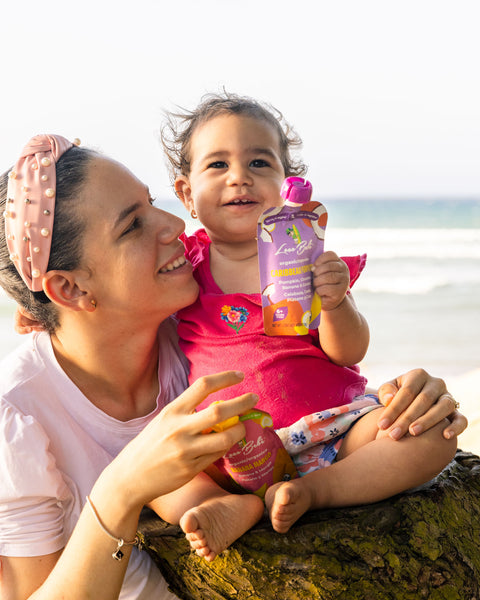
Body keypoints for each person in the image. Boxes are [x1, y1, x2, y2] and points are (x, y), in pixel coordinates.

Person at [0, 134, 465, 599]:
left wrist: (407, 397)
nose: (175, 224)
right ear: (71, 289)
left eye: (152, 203)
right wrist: (121, 490)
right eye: (132, 225)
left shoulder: (191, 327)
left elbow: (306, 373)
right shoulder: (16, 419)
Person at [157, 92, 460, 559]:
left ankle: (317, 491)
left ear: (286, 183)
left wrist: (335, 303)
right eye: (217, 165)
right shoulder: (184, 270)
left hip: (335, 430)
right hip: (232, 450)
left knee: (430, 435)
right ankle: (225, 507)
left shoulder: (304, 256)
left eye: (259, 162)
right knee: (152, 473)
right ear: (185, 195)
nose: (240, 176)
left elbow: (349, 352)